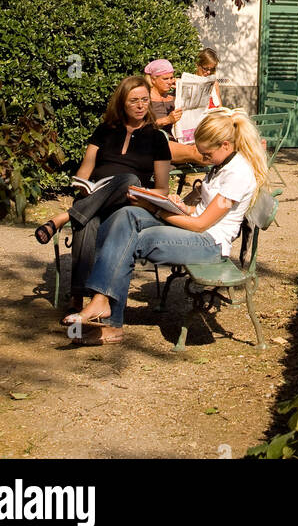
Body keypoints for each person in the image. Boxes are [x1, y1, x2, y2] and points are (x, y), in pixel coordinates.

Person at [64, 108, 267, 345]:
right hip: (195, 232)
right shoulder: (222, 163)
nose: (204, 158)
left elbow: (201, 225)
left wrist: (155, 209)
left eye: (207, 154)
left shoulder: (238, 172)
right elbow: (199, 213)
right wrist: (176, 205)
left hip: (209, 244)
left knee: (131, 240)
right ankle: (101, 301)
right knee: (126, 214)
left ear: (225, 145)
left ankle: (110, 320)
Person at [34, 75, 172, 308]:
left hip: (128, 202)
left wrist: (140, 195)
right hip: (94, 196)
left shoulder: (157, 138)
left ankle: (64, 217)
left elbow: (162, 189)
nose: (140, 106)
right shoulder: (104, 131)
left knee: (129, 179)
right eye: (133, 101)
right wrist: (81, 186)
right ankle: (79, 297)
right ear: (121, 103)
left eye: (145, 100)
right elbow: (84, 172)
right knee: (87, 220)